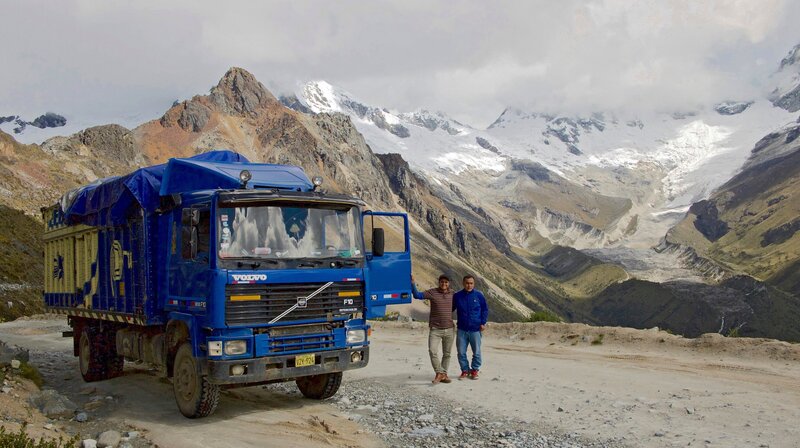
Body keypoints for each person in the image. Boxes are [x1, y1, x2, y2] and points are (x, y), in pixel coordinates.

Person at [411, 274, 455, 384]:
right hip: (435, 329)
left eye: (446, 282)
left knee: (447, 354)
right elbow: (417, 295)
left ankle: (443, 374)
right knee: (432, 350)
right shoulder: (432, 292)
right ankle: (439, 372)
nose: (444, 284)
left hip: (450, 329)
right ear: (439, 282)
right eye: (442, 282)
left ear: (449, 283)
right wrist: (412, 283)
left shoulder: (453, 294)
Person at [453, 274, 488, 380]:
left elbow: (484, 309)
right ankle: (465, 371)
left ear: (474, 284)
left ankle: (474, 370)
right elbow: (450, 308)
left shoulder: (479, 295)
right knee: (461, 352)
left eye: (471, 283)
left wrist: (483, 322)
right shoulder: (457, 296)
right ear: (463, 283)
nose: (469, 285)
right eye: (467, 283)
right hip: (461, 329)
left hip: (475, 329)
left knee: (476, 352)